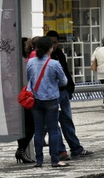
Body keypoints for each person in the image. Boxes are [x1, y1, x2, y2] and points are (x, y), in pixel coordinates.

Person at [46, 30, 94, 159]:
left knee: (66, 121)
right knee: (55, 124)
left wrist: (69, 87)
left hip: (62, 91)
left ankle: (74, 148)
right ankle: (62, 150)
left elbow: (65, 72)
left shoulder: (59, 54)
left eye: (55, 42)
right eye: (51, 43)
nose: (53, 45)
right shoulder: (46, 58)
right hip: (53, 94)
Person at [27, 36, 69, 168]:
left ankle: (39, 160)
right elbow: (64, 81)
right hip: (51, 99)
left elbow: (29, 78)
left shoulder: (31, 62)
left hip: (35, 99)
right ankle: (55, 159)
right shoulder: (54, 64)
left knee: (38, 130)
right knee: (53, 130)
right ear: (50, 49)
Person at [15, 37, 37, 164]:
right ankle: (21, 149)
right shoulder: (26, 61)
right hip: (26, 96)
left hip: (18, 96)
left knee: (23, 125)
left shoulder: (21, 60)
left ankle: (21, 149)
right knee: (30, 125)